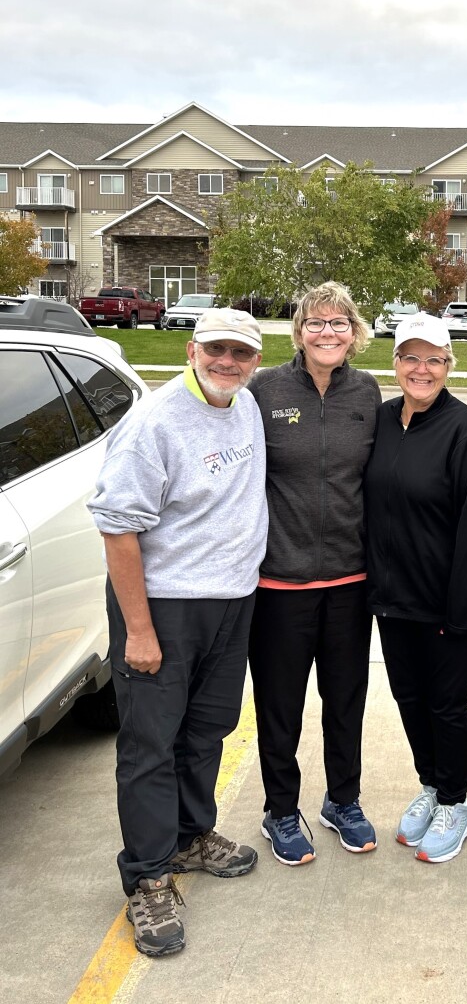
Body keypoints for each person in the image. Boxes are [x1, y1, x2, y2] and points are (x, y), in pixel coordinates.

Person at [88, 308, 268, 957]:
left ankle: (192, 834)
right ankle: (148, 875)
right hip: (164, 606)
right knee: (149, 743)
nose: (227, 362)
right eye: (216, 350)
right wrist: (139, 629)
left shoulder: (244, 405)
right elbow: (117, 527)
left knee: (207, 729)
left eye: (240, 353)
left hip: (231, 603)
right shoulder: (154, 423)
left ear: (253, 360)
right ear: (193, 349)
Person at [247, 282, 381, 864]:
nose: (328, 332)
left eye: (340, 323)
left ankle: (342, 800)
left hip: (350, 581)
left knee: (345, 700)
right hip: (280, 582)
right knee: (281, 706)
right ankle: (280, 810)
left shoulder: (367, 392)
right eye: (316, 322)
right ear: (299, 331)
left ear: (355, 333)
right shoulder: (264, 389)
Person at [364, 312, 467, 863]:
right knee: (409, 699)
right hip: (394, 602)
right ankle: (430, 784)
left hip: (449, 605)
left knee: (447, 704)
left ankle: (456, 801)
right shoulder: (382, 419)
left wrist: (461, 613)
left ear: (449, 365)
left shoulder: (465, 430)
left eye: (434, 359)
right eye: (410, 358)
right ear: (395, 364)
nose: (422, 369)